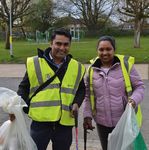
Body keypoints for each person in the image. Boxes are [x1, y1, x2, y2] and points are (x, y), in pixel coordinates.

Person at [10, 28, 86, 150]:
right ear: (51, 44)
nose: (62, 48)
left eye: (66, 44)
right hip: (40, 122)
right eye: (58, 43)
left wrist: (77, 103)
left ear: (70, 45)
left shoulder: (76, 67)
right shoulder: (35, 63)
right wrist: (16, 109)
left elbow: (81, 89)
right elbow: (23, 88)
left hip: (64, 123)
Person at [83, 36, 145, 150]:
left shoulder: (125, 66)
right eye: (101, 50)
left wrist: (134, 100)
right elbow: (88, 95)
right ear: (97, 51)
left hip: (124, 121)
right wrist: (87, 115)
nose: (105, 53)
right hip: (102, 123)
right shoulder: (91, 70)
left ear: (114, 50)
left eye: (108, 49)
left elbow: (139, 87)